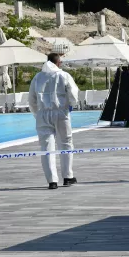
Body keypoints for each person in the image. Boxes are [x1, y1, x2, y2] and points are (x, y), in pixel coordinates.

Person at [28, 53, 79, 190]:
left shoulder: (38, 77)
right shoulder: (63, 75)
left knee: (46, 148)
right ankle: (68, 177)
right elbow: (73, 94)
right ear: (58, 62)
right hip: (61, 113)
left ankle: (52, 180)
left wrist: (37, 114)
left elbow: (31, 100)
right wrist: (71, 106)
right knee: (66, 143)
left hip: (43, 113)